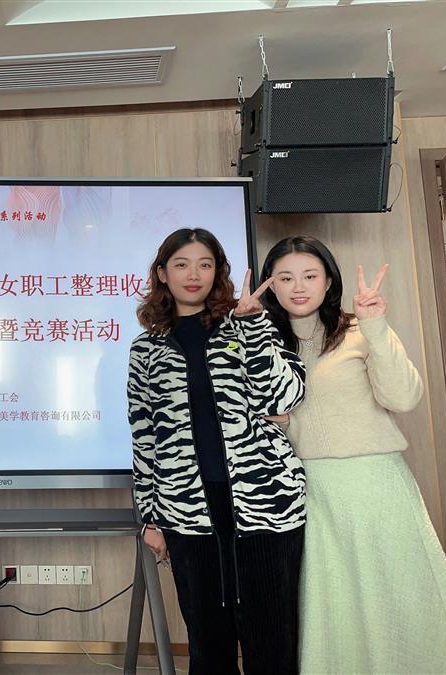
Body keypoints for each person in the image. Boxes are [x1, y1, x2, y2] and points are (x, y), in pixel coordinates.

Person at [259, 235, 446, 674]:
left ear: (329, 281)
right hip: (312, 489)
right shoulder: (265, 344)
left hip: (376, 483)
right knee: (337, 604)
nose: (299, 287)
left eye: (310, 275)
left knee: (399, 596)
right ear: (270, 285)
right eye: (285, 278)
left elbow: (404, 397)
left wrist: (376, 326)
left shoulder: (358, 331)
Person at [128, 227, 307, 675]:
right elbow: (144, 435)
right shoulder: (145, 348)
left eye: (205, 265)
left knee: (272, 644)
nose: (194, 274)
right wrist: (150, 517)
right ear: (162, 273)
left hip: (266, 504)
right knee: (208, 647)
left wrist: (253, 326)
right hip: (186, 511)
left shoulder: (250, 324)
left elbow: (283, 398)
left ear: (218, 272)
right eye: (182, 264)